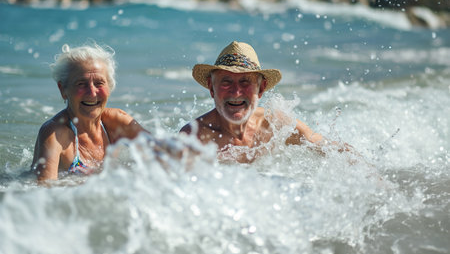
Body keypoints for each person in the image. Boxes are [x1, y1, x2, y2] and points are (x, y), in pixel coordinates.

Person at [180, 41, 325, 163]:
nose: (236, 92)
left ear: (261, 88)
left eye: (245, 82)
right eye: (226, 82)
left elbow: (330, 149)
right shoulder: (195, 138)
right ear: (212, 88)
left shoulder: (275, 125)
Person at [31, 43, 147, 182]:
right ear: (63, 89)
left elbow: (162, 153)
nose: (92, 93)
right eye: (81, 83)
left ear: (109, 86)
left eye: (99, 83)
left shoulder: (115, 121)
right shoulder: (55, 134)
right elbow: (43, 191)